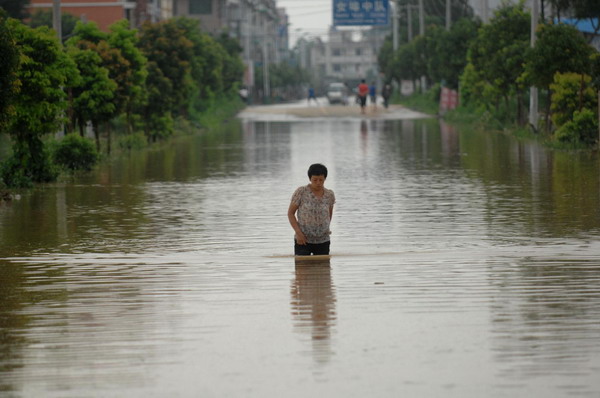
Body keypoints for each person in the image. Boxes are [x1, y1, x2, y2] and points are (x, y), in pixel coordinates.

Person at [288, 163, 336, 256]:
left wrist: (323, 229)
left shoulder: (329, 194)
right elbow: (290, 213)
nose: (318, 182)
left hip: (323, 240)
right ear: (310, 179)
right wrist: (298, 233)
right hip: (303, 239)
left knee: (323, 270)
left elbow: (329, 215)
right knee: (302, 269)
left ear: (325, 179)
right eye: (315, 180)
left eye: (321, 180)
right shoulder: (301, 192)